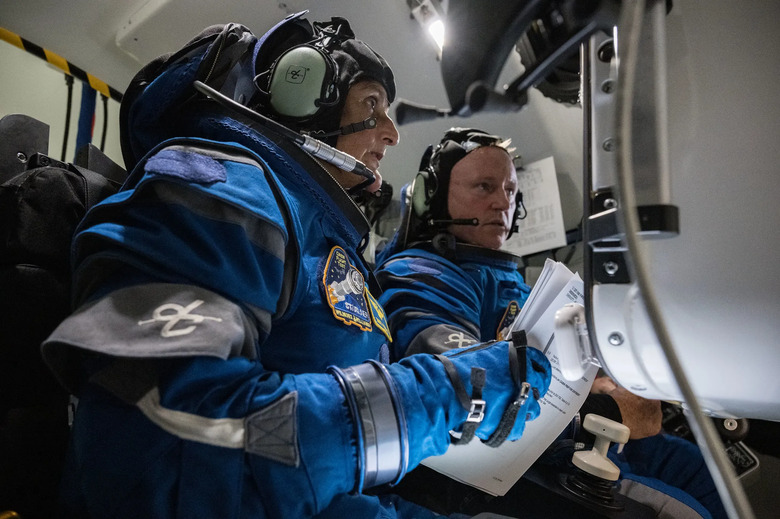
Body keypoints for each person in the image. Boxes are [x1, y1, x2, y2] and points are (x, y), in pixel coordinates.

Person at [40, 14, 552, 519]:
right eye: (372, 104)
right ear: (301, 95)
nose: (392, 133)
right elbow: (167, 444)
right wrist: (444, 395)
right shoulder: (222, 186)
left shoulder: (322, 235)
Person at [374, 127, 727, 519]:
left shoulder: (513, 282)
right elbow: (462, 380)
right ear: (432, 197)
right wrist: (602, 410)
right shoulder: (421, 273)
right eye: (484, 187)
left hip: (575, 436)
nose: (501, 203)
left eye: (509, 190)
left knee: (708, 473)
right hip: (516, 457)